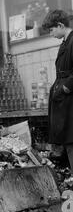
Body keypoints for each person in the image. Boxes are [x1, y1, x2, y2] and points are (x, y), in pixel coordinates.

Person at [42, 10, 73, 173]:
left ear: (60, 25)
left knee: (71, 139)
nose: (50, 34)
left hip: (70, 99)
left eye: (51, 30)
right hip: (65, 100)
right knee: (68, 140)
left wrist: (65, 87)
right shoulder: (65, 42)